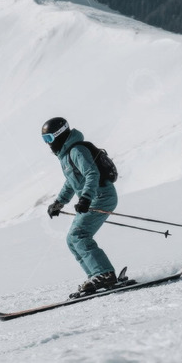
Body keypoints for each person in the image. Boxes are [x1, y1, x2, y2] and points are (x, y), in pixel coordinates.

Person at [42, 116, 122, 297]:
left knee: (79, 235)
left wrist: (85, 198)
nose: (47, 144)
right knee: (72, 239)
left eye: (49, 139)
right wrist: (59, 203)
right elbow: (71, 183)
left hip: (102, 196)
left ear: (59, 135)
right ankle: (96, 275)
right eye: (44, 140)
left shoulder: (76, 150)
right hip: (93, 198)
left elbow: (92, 174)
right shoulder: (66, 156)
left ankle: (104, 274)